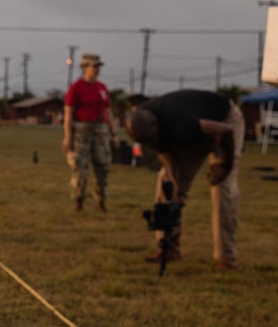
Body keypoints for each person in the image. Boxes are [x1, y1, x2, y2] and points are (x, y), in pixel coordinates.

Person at [125, 89, 244, 270]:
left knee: (222, 188)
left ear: (155, 125)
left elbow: (225, 132)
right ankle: (169, 247)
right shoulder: (145, 123)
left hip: (224, 121)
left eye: (152, 138)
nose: (151, 142)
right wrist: (175, 182)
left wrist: (225, 166)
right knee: (166, 182)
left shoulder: (179, 120)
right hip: (195, 131)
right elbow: (162, 148)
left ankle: (226, 258)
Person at [62, 53, 116, 212]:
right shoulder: (76, 87)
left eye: (98, 66)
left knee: (103, 166)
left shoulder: (102, 87)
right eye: (94, 66)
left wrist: (114, 133)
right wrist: (68, 137)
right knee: (80, 167)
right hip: (81, 131)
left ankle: (100, 200)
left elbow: (108, 111)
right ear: (85, 67)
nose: (97, 70)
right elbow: (68, 113)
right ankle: (78, 200)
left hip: (100, 131)